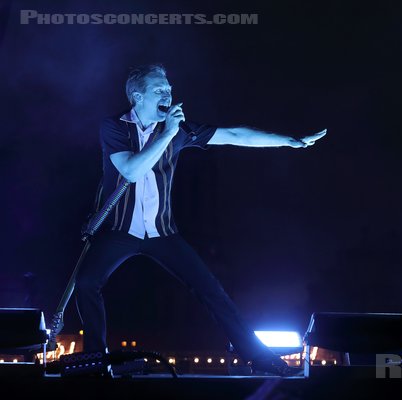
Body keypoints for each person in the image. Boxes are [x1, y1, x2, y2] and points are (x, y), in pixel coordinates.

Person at [74, 64, 326, 376]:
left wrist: (288, 141)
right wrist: (166, 134)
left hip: (163, 233)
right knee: (86, 283)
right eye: (158, 90)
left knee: (211, 290)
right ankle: (96, 362)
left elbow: (234, 135)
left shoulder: (179, 130)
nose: (167, 94)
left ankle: (259, 358)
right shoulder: (114, 127)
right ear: (138, 97)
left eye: (168, 89)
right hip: (118, 230)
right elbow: (131, 171)